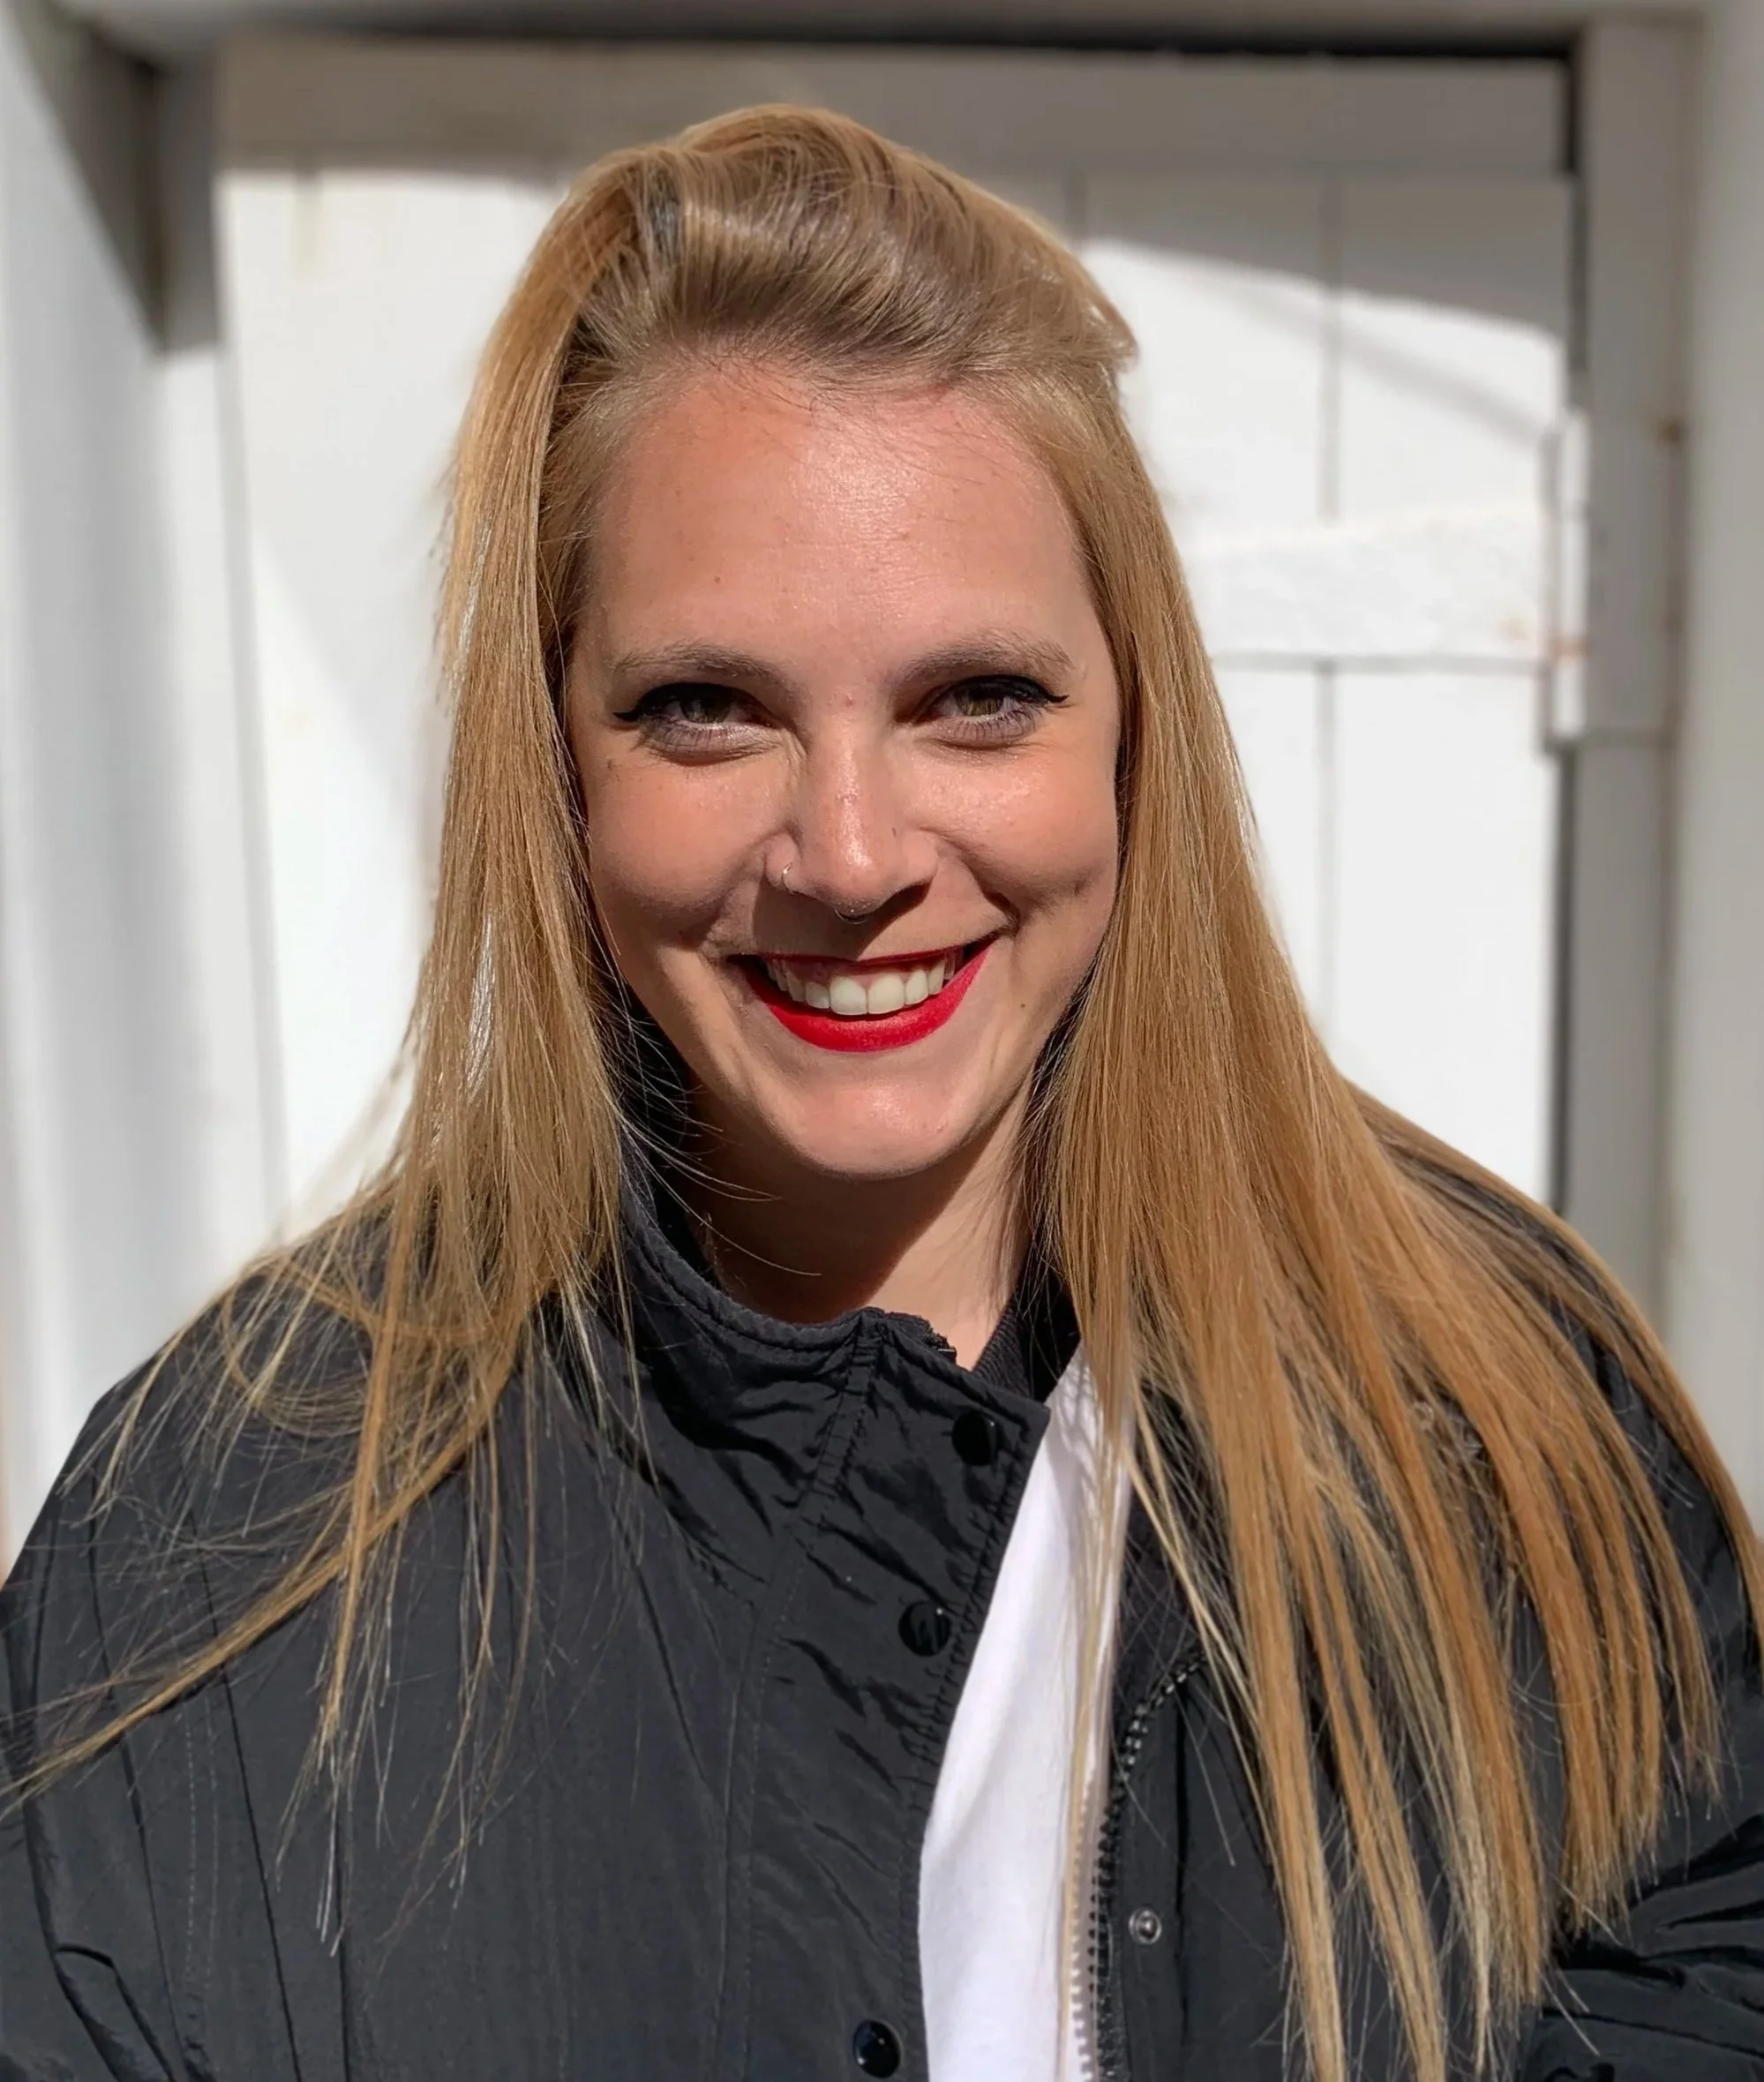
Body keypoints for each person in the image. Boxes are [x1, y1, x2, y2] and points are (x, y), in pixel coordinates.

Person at [4, 105, 1762, 2082]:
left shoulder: (1493, 1411)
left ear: (1133, 736)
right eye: (705, 708)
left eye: (974, 700)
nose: (847, 852)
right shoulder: (220, 1544)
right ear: (560, 768)